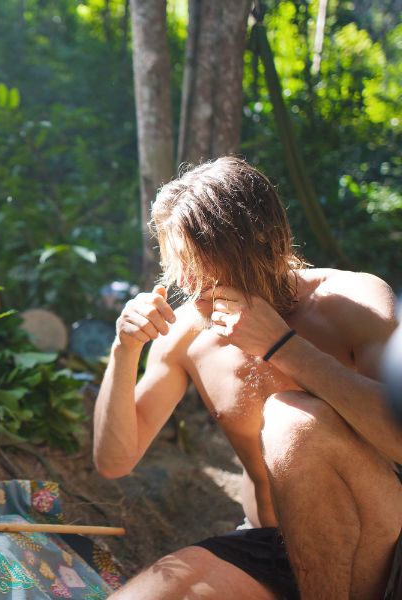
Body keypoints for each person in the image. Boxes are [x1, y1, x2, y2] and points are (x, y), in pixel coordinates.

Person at [93, 156, 402, 599]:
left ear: (259, 244)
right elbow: (114, 461)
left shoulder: (352, 300)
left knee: (293, 422)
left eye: (200, 265)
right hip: (269, 546)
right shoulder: (187, 333)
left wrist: (283, 346)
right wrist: (124, 350)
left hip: (381, 539)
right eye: (178, 266)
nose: (189, 285)